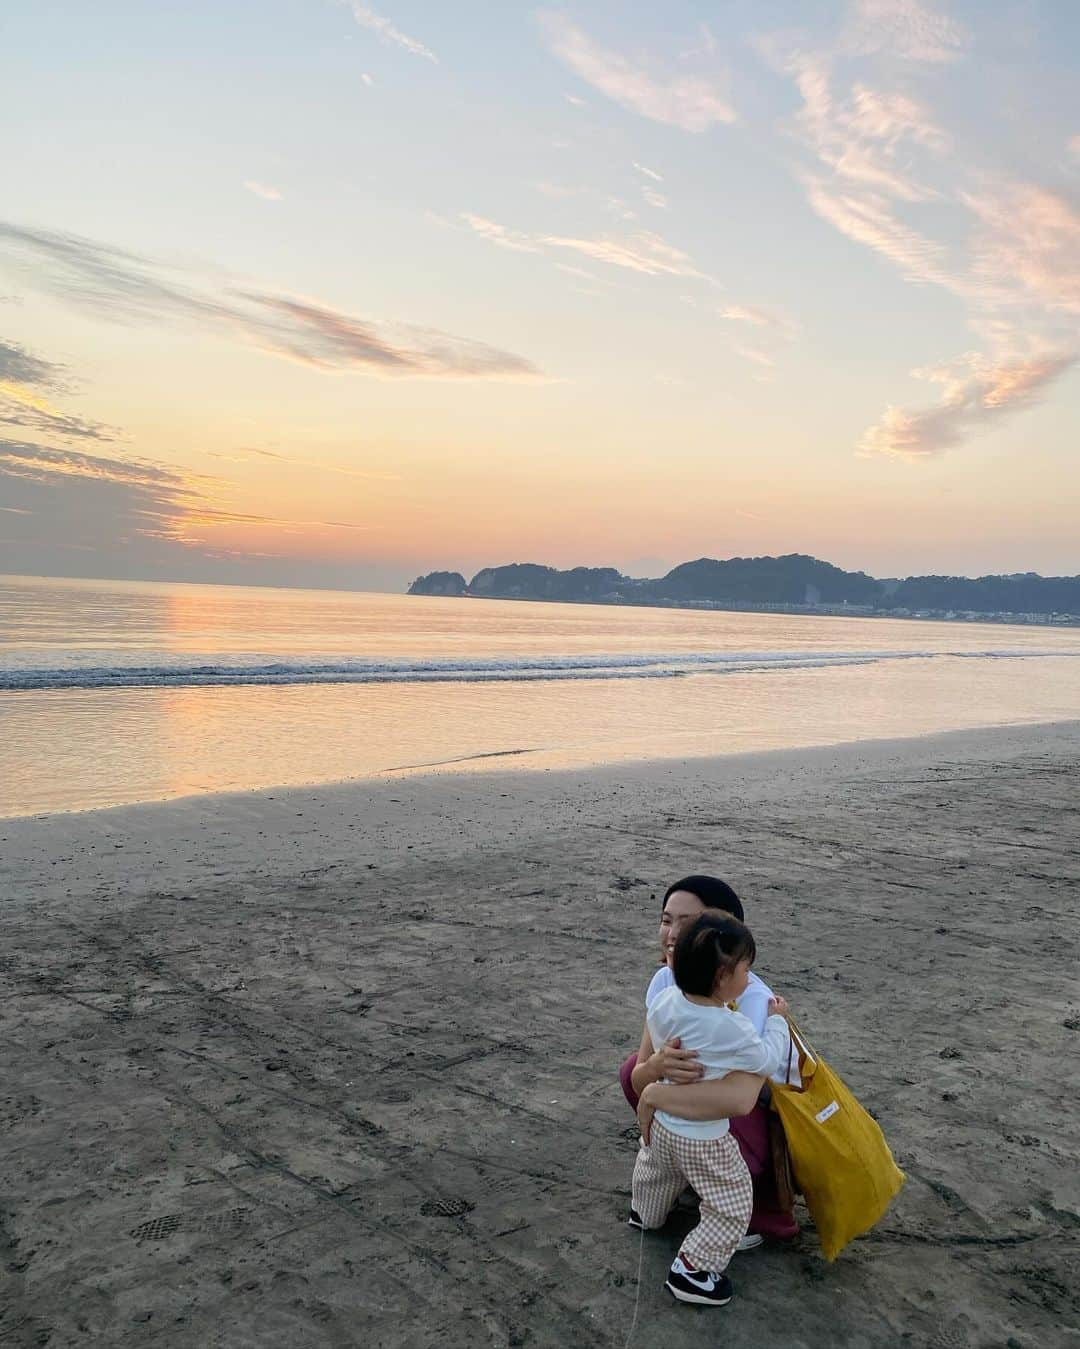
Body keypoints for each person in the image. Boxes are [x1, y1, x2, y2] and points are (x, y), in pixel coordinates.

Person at [619, 874, 799, 1242]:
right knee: (630, 1071)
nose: (672, 934)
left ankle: (756, 1201)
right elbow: (639, 1075)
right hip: (702, 1113)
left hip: (764, 1116)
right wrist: (653, 1069)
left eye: (688, 924)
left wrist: (655, 1094)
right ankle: (686, 1176)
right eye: (667, 920)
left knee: (708, 1105)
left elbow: (740, 1099)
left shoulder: (751, 1000)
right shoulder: (664, 982)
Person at [631, 913, 790, 1306]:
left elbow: (654, 1026)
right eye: (745, 969)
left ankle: (645, 1214)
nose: (749, 979)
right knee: (731, 1201)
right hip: (704, 1137)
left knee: (656, 1171)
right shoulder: (730, 1026)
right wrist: (777, 1022)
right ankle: (693, 1268)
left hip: (663, 1125)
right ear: (721, 977)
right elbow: (766, 1060)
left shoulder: (667, 1000)